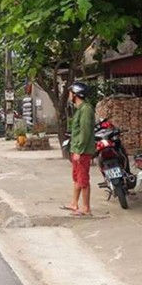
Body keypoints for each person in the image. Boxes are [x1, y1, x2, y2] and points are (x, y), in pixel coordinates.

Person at [62, 82, 95, 217]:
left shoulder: (86, 110)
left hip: (82, 151)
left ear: (76, 95)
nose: (69, 96)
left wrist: (79, 151)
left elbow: (85, 132)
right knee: (76, 177)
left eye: (71, 93)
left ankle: (86, 208)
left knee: (83, 179)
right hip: (76, 148)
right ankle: (74, 203)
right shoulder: (79, 109)